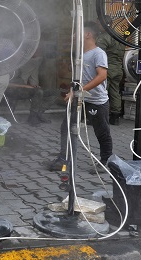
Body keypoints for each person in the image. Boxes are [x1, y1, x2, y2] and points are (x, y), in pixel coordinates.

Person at [51, 21, 113, 171]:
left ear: (88, 35)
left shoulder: (98, 53)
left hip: (96, 101)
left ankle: (106, 162)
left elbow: (102, 76)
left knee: (101, 132)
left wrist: (78, 91)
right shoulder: (80, 54)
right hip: (79, 99)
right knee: (66, 128)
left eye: (77, 32)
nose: (73, 35)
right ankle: (63, 159)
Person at [96, 30, 126, 125]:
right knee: (115, 92)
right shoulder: (120, 37)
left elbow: (99, 53)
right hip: (118, 69)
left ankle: (99, 117)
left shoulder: (104, 37)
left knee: (101, 92)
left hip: (107, 68)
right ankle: (115, 117)